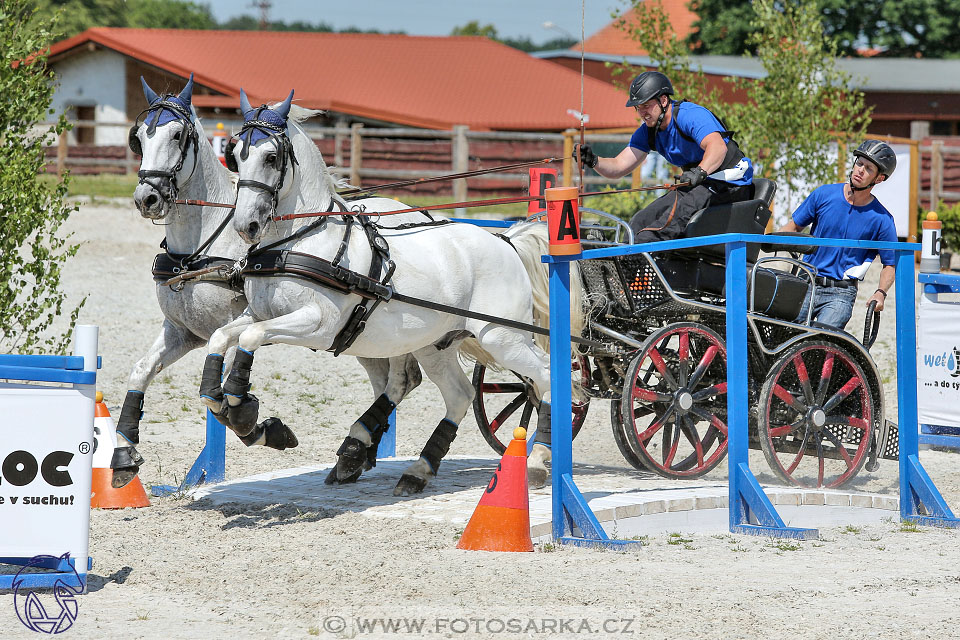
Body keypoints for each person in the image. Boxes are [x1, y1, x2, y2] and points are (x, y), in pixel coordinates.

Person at [575, 71, 754, 242]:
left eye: (646, 105)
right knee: (639, 222)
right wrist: (594, 161)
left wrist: (700, 171)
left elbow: (718, 147)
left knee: (666, 225)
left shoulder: (689, 115)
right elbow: (619, 166)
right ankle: (624, 260)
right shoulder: (648, 132)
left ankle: (637, 263)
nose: (642, 112)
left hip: (730, 183)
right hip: (699, 184)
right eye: (638, 108)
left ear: (663, 100)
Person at [780, 139, 898, 330]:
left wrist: (880, 293)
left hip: (841, 293)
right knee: (784, 335)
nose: (860, 170)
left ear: (879, 179)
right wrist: (764, 244)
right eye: (859, 163)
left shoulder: (882, 219)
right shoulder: (823, 195)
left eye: (868, 168)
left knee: (818, 342)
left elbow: (890, 264)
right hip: (806, 281)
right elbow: (792, 228)